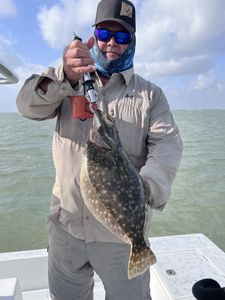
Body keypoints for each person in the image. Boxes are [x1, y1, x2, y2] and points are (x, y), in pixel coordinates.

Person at [16, 0, 183, 299]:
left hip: (120, 237)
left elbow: (167, 147)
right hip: (66, 227)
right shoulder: (67, 80)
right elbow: (26, 106)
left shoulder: (151, 96)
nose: (111, 44)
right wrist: (64, 77)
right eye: (105, 34)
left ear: (132, 41)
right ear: (94, 35)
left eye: (122, 37)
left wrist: (145, 189)